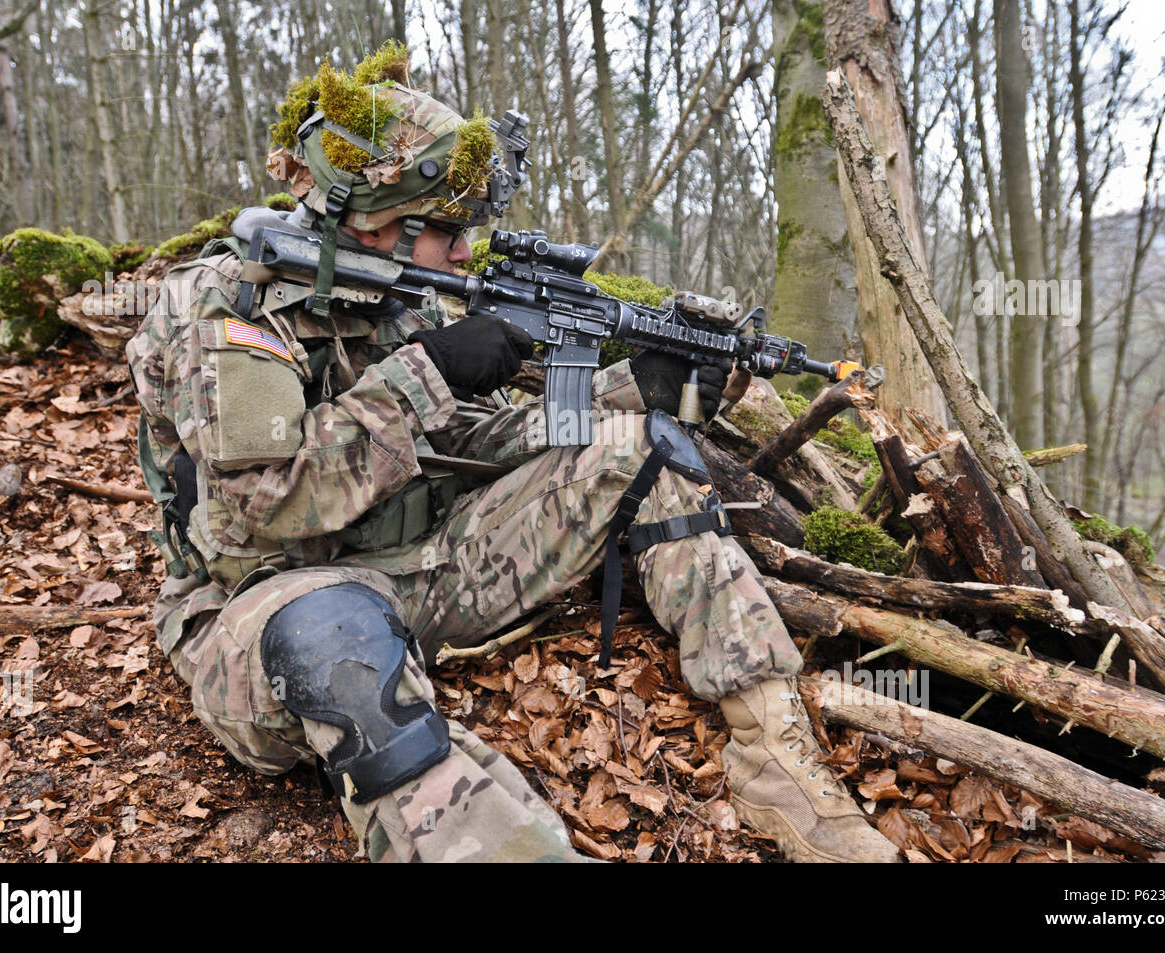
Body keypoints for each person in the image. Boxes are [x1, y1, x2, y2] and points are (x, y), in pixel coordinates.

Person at [126, 43, 899, 863]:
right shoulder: (233, 308)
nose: (466, 254)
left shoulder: (400, 296)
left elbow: (472, 443)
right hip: (264, 605)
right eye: (451, 232)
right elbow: (263, 510)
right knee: (337, 636)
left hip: (422, 565)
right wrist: (428, 374)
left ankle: (776, 759)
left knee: (643, 450)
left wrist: (636, 390)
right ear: (383, 219)